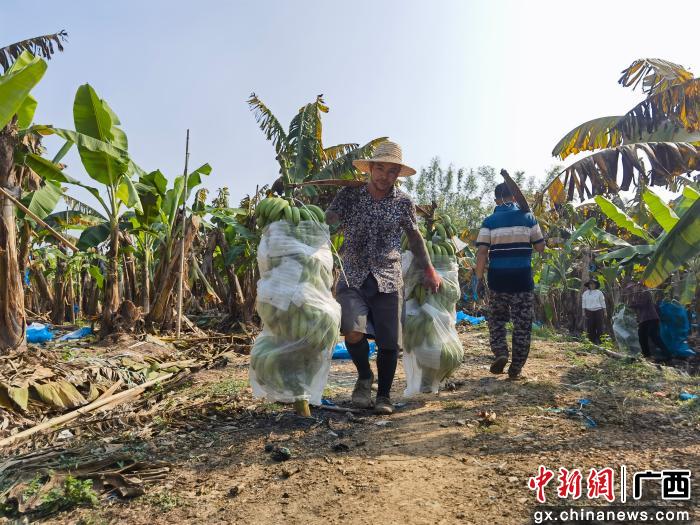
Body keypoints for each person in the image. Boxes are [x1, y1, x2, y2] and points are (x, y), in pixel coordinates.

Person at [325, 141, 442, 414]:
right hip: (353, 273)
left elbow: (415, 237)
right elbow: (329, 218)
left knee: (390, 342)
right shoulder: (349, 195)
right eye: (380, 168)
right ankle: (365, 376)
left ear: (398, 174)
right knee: (352, 330)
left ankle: (384, 396)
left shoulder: (403, 202)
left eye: (391, 171)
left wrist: (429, 269)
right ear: (370, 168)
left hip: (388, 276)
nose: (384, 176)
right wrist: (321, 216)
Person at [474, 183, 545, 379]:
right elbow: (540, 247)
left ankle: (501, 352)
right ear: (515, 197)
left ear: (496, 199)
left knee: (497, 320)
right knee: (522, 324)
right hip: (522, 280)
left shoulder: (489, 221)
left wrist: (478, 279)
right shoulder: (528, 218)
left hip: (498, 280)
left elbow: (482, 252)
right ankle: (516, 367)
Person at [625, 282, 672, 362]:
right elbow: (634, 306)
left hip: (651, 318)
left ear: (637, 286)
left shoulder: (645, 292)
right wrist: (630, 300)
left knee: (654, 336)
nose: (631, 290)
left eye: (632, 288)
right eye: (629, 289)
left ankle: (668, 355)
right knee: (641, 337)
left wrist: (631, 305)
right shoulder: (635, 296)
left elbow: (641, 304)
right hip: (643, 319)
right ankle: (647, 356)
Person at [582, 279, 606, 344]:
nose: (592, 285)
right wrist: (583, 312)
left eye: (593, 284)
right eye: (591, 284)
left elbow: (602, 302)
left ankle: (601, 342)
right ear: (589, 285)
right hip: (589, 311)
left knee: (599, 326)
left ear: (596, 285)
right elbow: (583, 303)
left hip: (598, 311)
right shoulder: (585, 293)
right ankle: (592, 342)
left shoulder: (599, 292)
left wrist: (605, 311)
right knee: (590, 326)